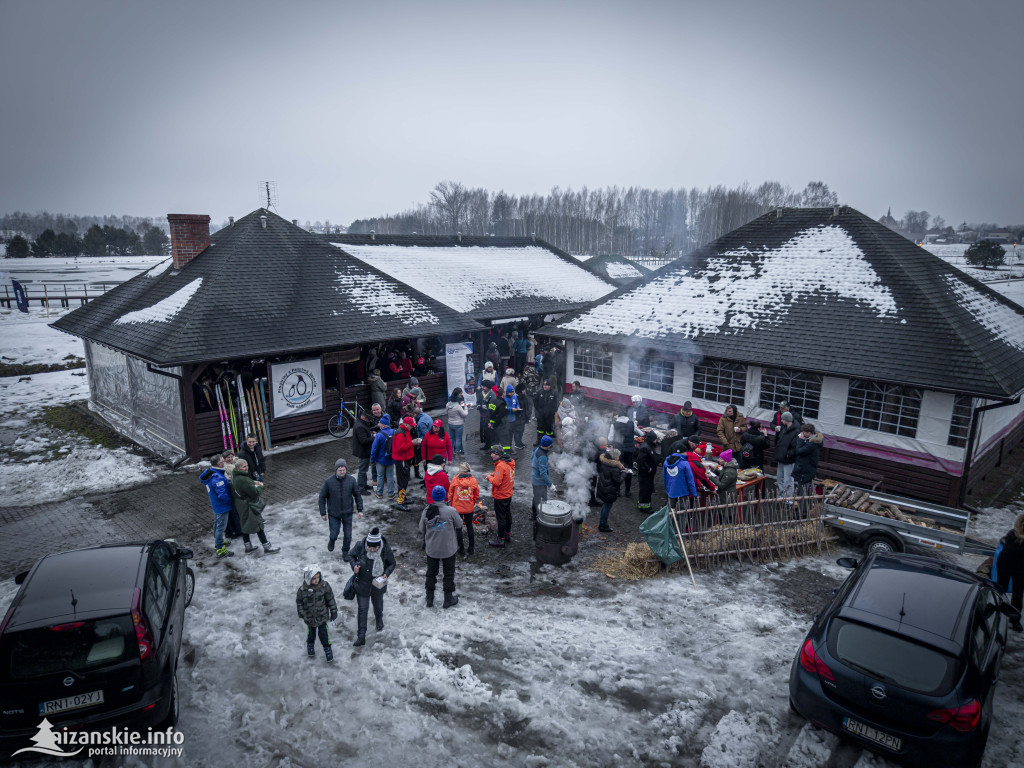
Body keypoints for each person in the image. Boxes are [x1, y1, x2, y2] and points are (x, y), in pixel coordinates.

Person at [349, 527, 396, 646]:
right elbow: (350, 556)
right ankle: (361, 636)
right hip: (362, 584)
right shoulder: (360, 546)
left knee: (378, 606)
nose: (372, 549)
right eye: (370, 547)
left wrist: (386, 574)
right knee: (362, 610)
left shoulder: (385, 548)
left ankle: (379, 620)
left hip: (378, 585)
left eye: (375, 547)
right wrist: (354, 566)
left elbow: (392, 563)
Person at [420, 485, 464, 609]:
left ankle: (429, 598)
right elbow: (460, 524)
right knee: (448, 574)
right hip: (448, 549)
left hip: (432, 549)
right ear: (444, 496)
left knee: (431, 573)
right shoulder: (451, 511)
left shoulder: (426, 511)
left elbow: (421, 529)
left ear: (432, 497)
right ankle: (448, 599)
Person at [231, 458, 280, 554]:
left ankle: (248, 547)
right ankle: (267, 547)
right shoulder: (243, 479)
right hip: (248, 505)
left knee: (244, 524)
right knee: (258, 525)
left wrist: (252, 482)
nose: (246, 468)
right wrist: (260, 486)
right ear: (238, 468)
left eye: (247, 466)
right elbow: (254, 493)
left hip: (240, 504)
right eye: (244, 467)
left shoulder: (234, 476)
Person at [318, 458, 364, 559]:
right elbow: (322, 497)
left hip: (348, 513)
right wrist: (323, 513)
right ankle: (332, 541)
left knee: (348, 535)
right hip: (334, 514)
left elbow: (357, 495)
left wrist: (360, 510)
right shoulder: (329, 482)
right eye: (340, 470)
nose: (342, 472)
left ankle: (345, 552)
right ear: (336, 470)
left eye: (344, 470)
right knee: (334, 533)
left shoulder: (351, 480)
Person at [296, 564, 337, 663]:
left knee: (324, 634)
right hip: (309, 617)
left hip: (322, 616)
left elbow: (330, 599)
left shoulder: (324, 586)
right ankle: (310, 646)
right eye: (314, 578)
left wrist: (333, 611)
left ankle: (327, 649)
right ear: (308, 578)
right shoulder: (303, 590)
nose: (316, 580)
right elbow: (299, 602)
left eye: (318, 577)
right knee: (311, 634)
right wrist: (301, 612)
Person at [200, 454, 235, 558]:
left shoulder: (210, 472)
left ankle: (218, 542)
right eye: (223, 462)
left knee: (217, 524)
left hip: (216, 505)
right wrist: (230, 501)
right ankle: (220, 549)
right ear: (219, 464)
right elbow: (222, 494)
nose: (224, 463)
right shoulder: (217, 477)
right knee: (221, 527)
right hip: (222, 506)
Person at [995, 514, 1024, 631]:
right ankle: (996, 611)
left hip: (1021, 567)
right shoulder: (1012, 534)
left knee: (1018, 593)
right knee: (1001, 588)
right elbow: (1012, 552)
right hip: (1005, 564)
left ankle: (1015, 619)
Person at [486, 445, 516, 547]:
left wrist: (489, 478)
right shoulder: (509, 463)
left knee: (501, 518)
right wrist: (494, 474)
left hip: (501, 496)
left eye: (493, 453)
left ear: (498, 454)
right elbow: (504, 476)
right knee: (507, 515)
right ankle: (507, 534)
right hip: (508, 494)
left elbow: (497, 483)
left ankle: (500, 539)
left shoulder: (500, 465)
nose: (491, 455)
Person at [448, 461, 480, 557]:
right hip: (469, 508)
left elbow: (450, 494)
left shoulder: (455, 479)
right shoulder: (473, 480)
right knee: (469, 526)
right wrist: (472, 503)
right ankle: (471, 548)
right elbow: (476, 494)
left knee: (458, 528)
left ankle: (461, 548)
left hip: (457, 508)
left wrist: (452, 503)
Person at [596, 448, 627, 533]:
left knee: (605, 506)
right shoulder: (615, 468)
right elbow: (618, 481)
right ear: (615, 457)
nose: (619, 458)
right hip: (610, 490)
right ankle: (603, 525)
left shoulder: (603, 462)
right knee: (607, 507)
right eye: (618, 456)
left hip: (603, 488)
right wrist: (624, 473)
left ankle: (602, 523)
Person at [608, 412, 638, 497]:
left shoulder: (614, 424)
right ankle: (627, 490)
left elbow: (610, 438)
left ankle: (617, 490)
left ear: (619, 416)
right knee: (628, 469)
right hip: (629, 450)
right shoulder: (632, 423)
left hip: (618, 450)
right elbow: (640, 433)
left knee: (618, 469)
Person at [530, 435, 555, 537]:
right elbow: (543, 473)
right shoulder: (543, 457)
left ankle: (533, 514)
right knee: (543, 499)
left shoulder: (537, 449)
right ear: (548, 445)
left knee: (536, 497)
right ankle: (540, 519)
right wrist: (550, 484)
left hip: (534, 478)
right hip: (539, 481)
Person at [392, 416, 418, 511]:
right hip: (401, 460)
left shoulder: (405, 431)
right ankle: (400, 502)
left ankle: (403, 498)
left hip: (404, 459)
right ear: (406, 424)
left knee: (405, 479)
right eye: (411, 425)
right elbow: (400, 447)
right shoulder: (400, 433)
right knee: (402, 481)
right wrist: (412, 443)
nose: (412, 427)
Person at [792, 423, 824, 497]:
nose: (802, 434)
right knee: (805, 492)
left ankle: (803, 508)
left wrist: (800, 440)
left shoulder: (812, 444)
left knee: (802, 493)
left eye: (804, 432)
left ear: (809, 433)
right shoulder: (811, 441)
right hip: (806, 470)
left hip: (805, 471)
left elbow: (799, 451)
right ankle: (804, 507)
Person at [370, 414, 397, 501]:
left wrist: (372, 460)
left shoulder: (379, 435)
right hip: (391, 459)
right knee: (390, 476)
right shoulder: (394, 432)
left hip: (380, 460)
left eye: (380, 423)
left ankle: (379, 493)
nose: (379, 424)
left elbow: (374, 449)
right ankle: (391, 494)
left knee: (380, 476)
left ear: (384, 424)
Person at [775, 412, 801, 497]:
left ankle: (789, 497)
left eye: (782, 419)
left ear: (786, 420)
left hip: (788, 459)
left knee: (788, 479)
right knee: (780, 478)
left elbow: (795, 446)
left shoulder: (796, 431)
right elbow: (780, 441)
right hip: (781, 457)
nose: (781, 420)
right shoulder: (784, 428)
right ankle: (781, 495)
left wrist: (788, 455)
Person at [636, 431, 661, 514]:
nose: (656, 441)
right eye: (655, 439)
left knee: (648, 489)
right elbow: (640, 460)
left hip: (649, 474)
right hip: (645, 474)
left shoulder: (649, 446)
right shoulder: (645, 447)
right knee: (645, 490)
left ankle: (644, 505)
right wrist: (648, 468)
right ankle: (644, 507)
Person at [352, 408, 376, 494]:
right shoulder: (360, 426)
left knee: (364, 470)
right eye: (369, 418)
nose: (370, 420)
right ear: (364, 417)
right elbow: (363, 441)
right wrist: (374, 437)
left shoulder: (360, 423)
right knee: (362, 471)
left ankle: (364, 485)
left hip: (363, 451)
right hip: (363, 452)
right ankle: (361, 488)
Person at [534, 378, 559, 447]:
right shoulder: (540, 392)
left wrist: (552, 411)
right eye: (544, 385)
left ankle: (548, 443)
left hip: (549, 416)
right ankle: (538, 440)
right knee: (540, 429)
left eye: (546, 385)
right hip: (541, 415)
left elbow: (556, 404)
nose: (544, 386)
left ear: (550, 386)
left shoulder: (553, 393)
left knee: (549, 430)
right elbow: (535, 401)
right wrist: (538, 410)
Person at [446, 388, 469, 456]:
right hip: (458, 424)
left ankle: (450, 452)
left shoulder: (447, 404)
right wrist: (465, 407)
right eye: (460, 393)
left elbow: (446, 412)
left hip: (450, 423)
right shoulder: (458, 407)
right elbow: (464, 414)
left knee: (451, 438)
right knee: (458, 439)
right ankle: (457, 452)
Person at [488, 385, 510, 452]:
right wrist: (494, 425)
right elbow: (500, 416)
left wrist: (490, 423)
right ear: (503, 394)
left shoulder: (492, 401)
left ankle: (494, 453)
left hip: (492, 425)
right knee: (505, 442)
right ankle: (506, 455)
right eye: (504, 392)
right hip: (500, 426)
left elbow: (489, 413)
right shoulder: (502, 404)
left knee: (494, 441)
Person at [504, 384, 525, 450]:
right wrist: (511, 409)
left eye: (513, 392)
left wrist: (518, 406)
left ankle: (512, 446)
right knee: (508, 435)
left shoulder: (514, 396)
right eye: (511, 392)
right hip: (508, 420)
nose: (512, 393)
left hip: (513, 419)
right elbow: (505, 407)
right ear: (507, 392)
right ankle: (508, 447)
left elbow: (517, 403)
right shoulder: (505, 399)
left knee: (513, 433)